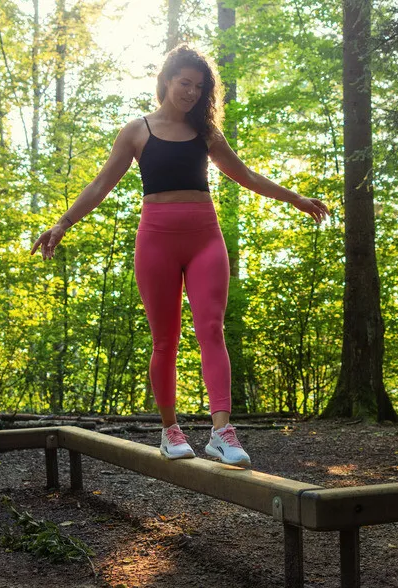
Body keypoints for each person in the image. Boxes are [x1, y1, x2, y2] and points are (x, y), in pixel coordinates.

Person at [30, 44, 328, 467]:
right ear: (167, 80)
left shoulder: (206, 133)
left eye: (199, 87)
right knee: (165, 340)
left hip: (205, 237)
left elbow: (245, 175)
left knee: (211, 327)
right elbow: (100, 186)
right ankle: (170, 430)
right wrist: (62, 223)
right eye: (184, 83)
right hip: (156, 241)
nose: (190, 92)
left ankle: (222, 431)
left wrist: (294, 197)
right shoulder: (138, 131)